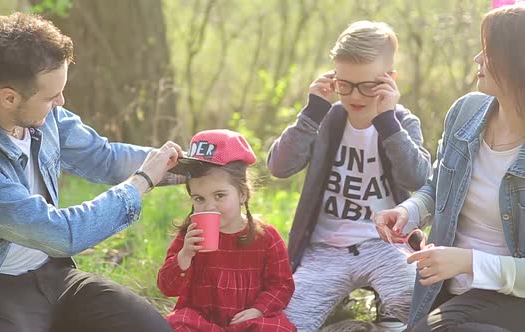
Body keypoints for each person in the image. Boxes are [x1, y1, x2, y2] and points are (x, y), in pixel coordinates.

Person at [0, 12, 182, 332]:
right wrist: (141, 183)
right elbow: (60, 235)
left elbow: (104, 157)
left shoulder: (38, 111)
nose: (61, 102)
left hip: (52, 274)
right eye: (52, 96)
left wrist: (191, 167)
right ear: (9, 97)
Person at [267, 21, 431, 331]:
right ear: (333, 78)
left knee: (419, 305)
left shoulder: (401, 122)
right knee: (287, 322)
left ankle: (388, 315)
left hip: (386, 246)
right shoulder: (325, 119)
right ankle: (342, 319)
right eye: (345, 84)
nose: (355, 95)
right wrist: (311, 113)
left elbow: (418, 179)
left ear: (389, 81)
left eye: (367, 85)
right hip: (325, 250)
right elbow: (279, 167)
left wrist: (387, 123)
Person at [373, 4, 525, 331]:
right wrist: (409, 211)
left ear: (516, 62)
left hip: (513, 299)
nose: (477, 59)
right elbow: (437, 186)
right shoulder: (465, 111)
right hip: (446, 288)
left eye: (487, 51)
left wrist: (467, 261)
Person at [157, 129, 296, 331]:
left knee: (279, 328)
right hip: (202, 321)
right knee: (176, 323)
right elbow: (166, 287)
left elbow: (281, 285)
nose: (209, 206)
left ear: (242, 194)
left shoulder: (266, 237)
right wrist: (184, 256)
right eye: (199, 198)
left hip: (246, 321)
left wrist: (259, 309)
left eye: (219, 195)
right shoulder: (190, 236)